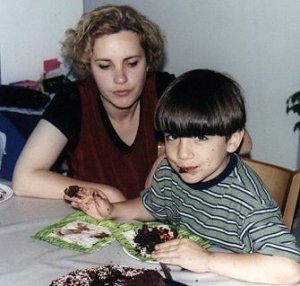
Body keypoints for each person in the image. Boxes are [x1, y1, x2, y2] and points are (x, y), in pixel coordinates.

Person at [65, 69, 300, 284]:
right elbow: (154, 205)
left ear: (233, 140)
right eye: (172, 136)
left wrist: (207, 259)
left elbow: (290, 269)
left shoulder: (247, 199)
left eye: (200, 138)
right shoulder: (171, 169)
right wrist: (112, 211)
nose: (182, 153)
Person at [12, 5, 252, 200]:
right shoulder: (74, 100)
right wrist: (108, 195)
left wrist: (170, 156)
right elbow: (24, 179)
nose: (120, 78)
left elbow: (244, 142)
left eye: (132, 63)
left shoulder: (164, 90)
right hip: (96, 231)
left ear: (148, 62)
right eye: (105, 66)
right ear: (89, 68)